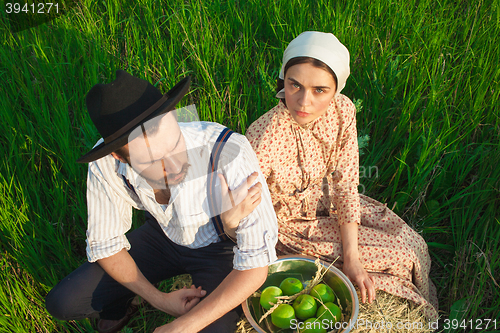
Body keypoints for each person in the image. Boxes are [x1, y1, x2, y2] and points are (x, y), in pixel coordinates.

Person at [45, 70, 278, 333]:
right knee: (62, 302)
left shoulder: (227, 150)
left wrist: (182, 326)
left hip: (219, 247)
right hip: (161, 236)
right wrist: (159, 299)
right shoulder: (106, 162)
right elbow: (106, 245)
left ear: (175, 116)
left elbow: (256, 266)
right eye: (153, 161)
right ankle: (124, 302)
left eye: (176, 143)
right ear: (120, 157)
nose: (175, 164)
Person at [244, 31, 438, 321]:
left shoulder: (343, 111)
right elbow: (246, 211)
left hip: (332, 204)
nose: (303, 102)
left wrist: (353, 257)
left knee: (413, 244)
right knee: (400, 256)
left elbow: (345, 184)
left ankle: (430, 315)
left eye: (319, 90)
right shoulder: (265, 135)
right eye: (294, 84)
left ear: (337, 89)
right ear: (283, 79)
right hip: (292, 226)